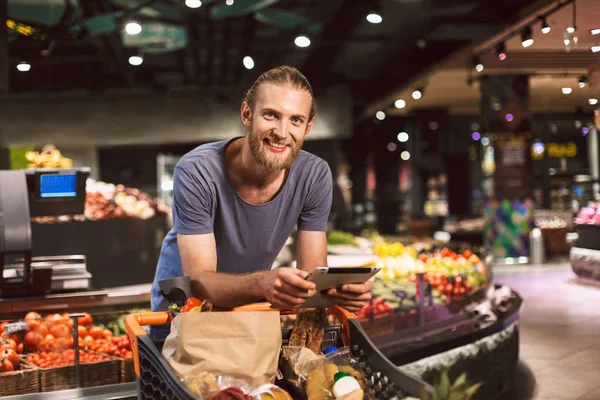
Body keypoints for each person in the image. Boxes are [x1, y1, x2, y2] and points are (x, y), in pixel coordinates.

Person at [150, 66, 372, 337]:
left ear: (308, 127)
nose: (281, 131)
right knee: (179, 373)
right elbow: (198, 280)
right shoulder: (197, 170)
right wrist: (263, 283)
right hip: (183, 301)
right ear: (247, 114)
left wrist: (336, 291)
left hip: (247, 300)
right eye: (271, 115)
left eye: (296, 120)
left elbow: (312, 273)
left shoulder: (314, 174)